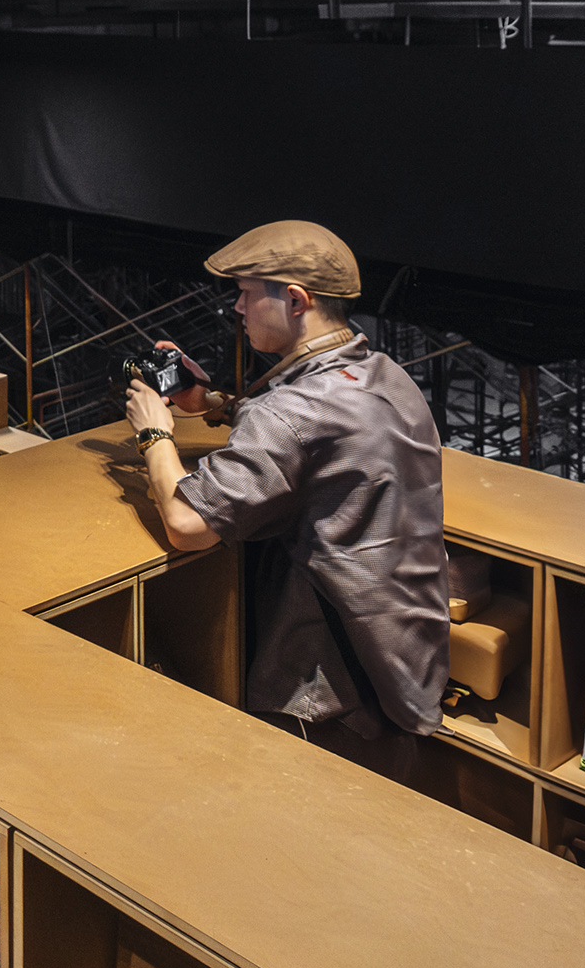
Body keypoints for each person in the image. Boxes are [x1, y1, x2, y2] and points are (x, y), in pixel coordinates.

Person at [121, 220, 461, 780]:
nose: (237, 307)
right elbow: (316, 432)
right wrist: (209, 401)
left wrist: (156, 432)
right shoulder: (386, 376)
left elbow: (186, 522)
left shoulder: (291, 413)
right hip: (400, 663)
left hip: (327, 697)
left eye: (248, 293)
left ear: (296, 300)